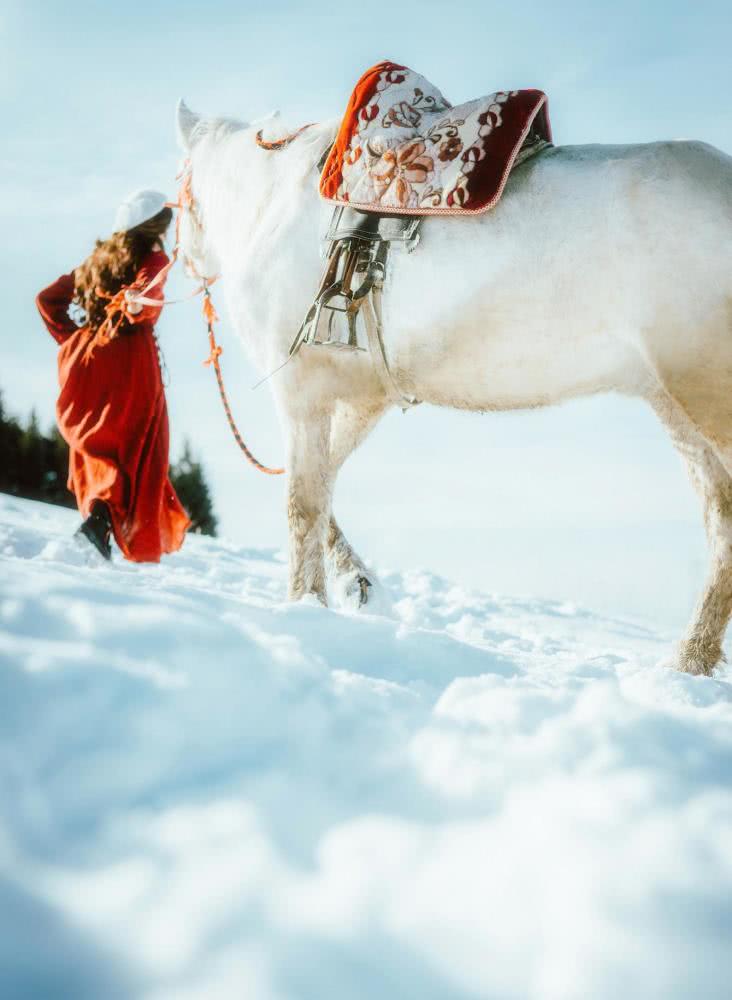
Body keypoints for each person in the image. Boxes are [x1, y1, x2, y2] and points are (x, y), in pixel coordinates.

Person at [36, 189, 190, 562]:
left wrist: (74, 339)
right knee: (137, 452)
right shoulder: (155, 258)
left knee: (103, 448)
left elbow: (48, 299)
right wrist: (134, 305)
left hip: (85, 362)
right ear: (154, 227)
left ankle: (99, 528)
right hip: (130, 363)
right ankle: (102, 525)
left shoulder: (98, 259)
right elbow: (144, 301)